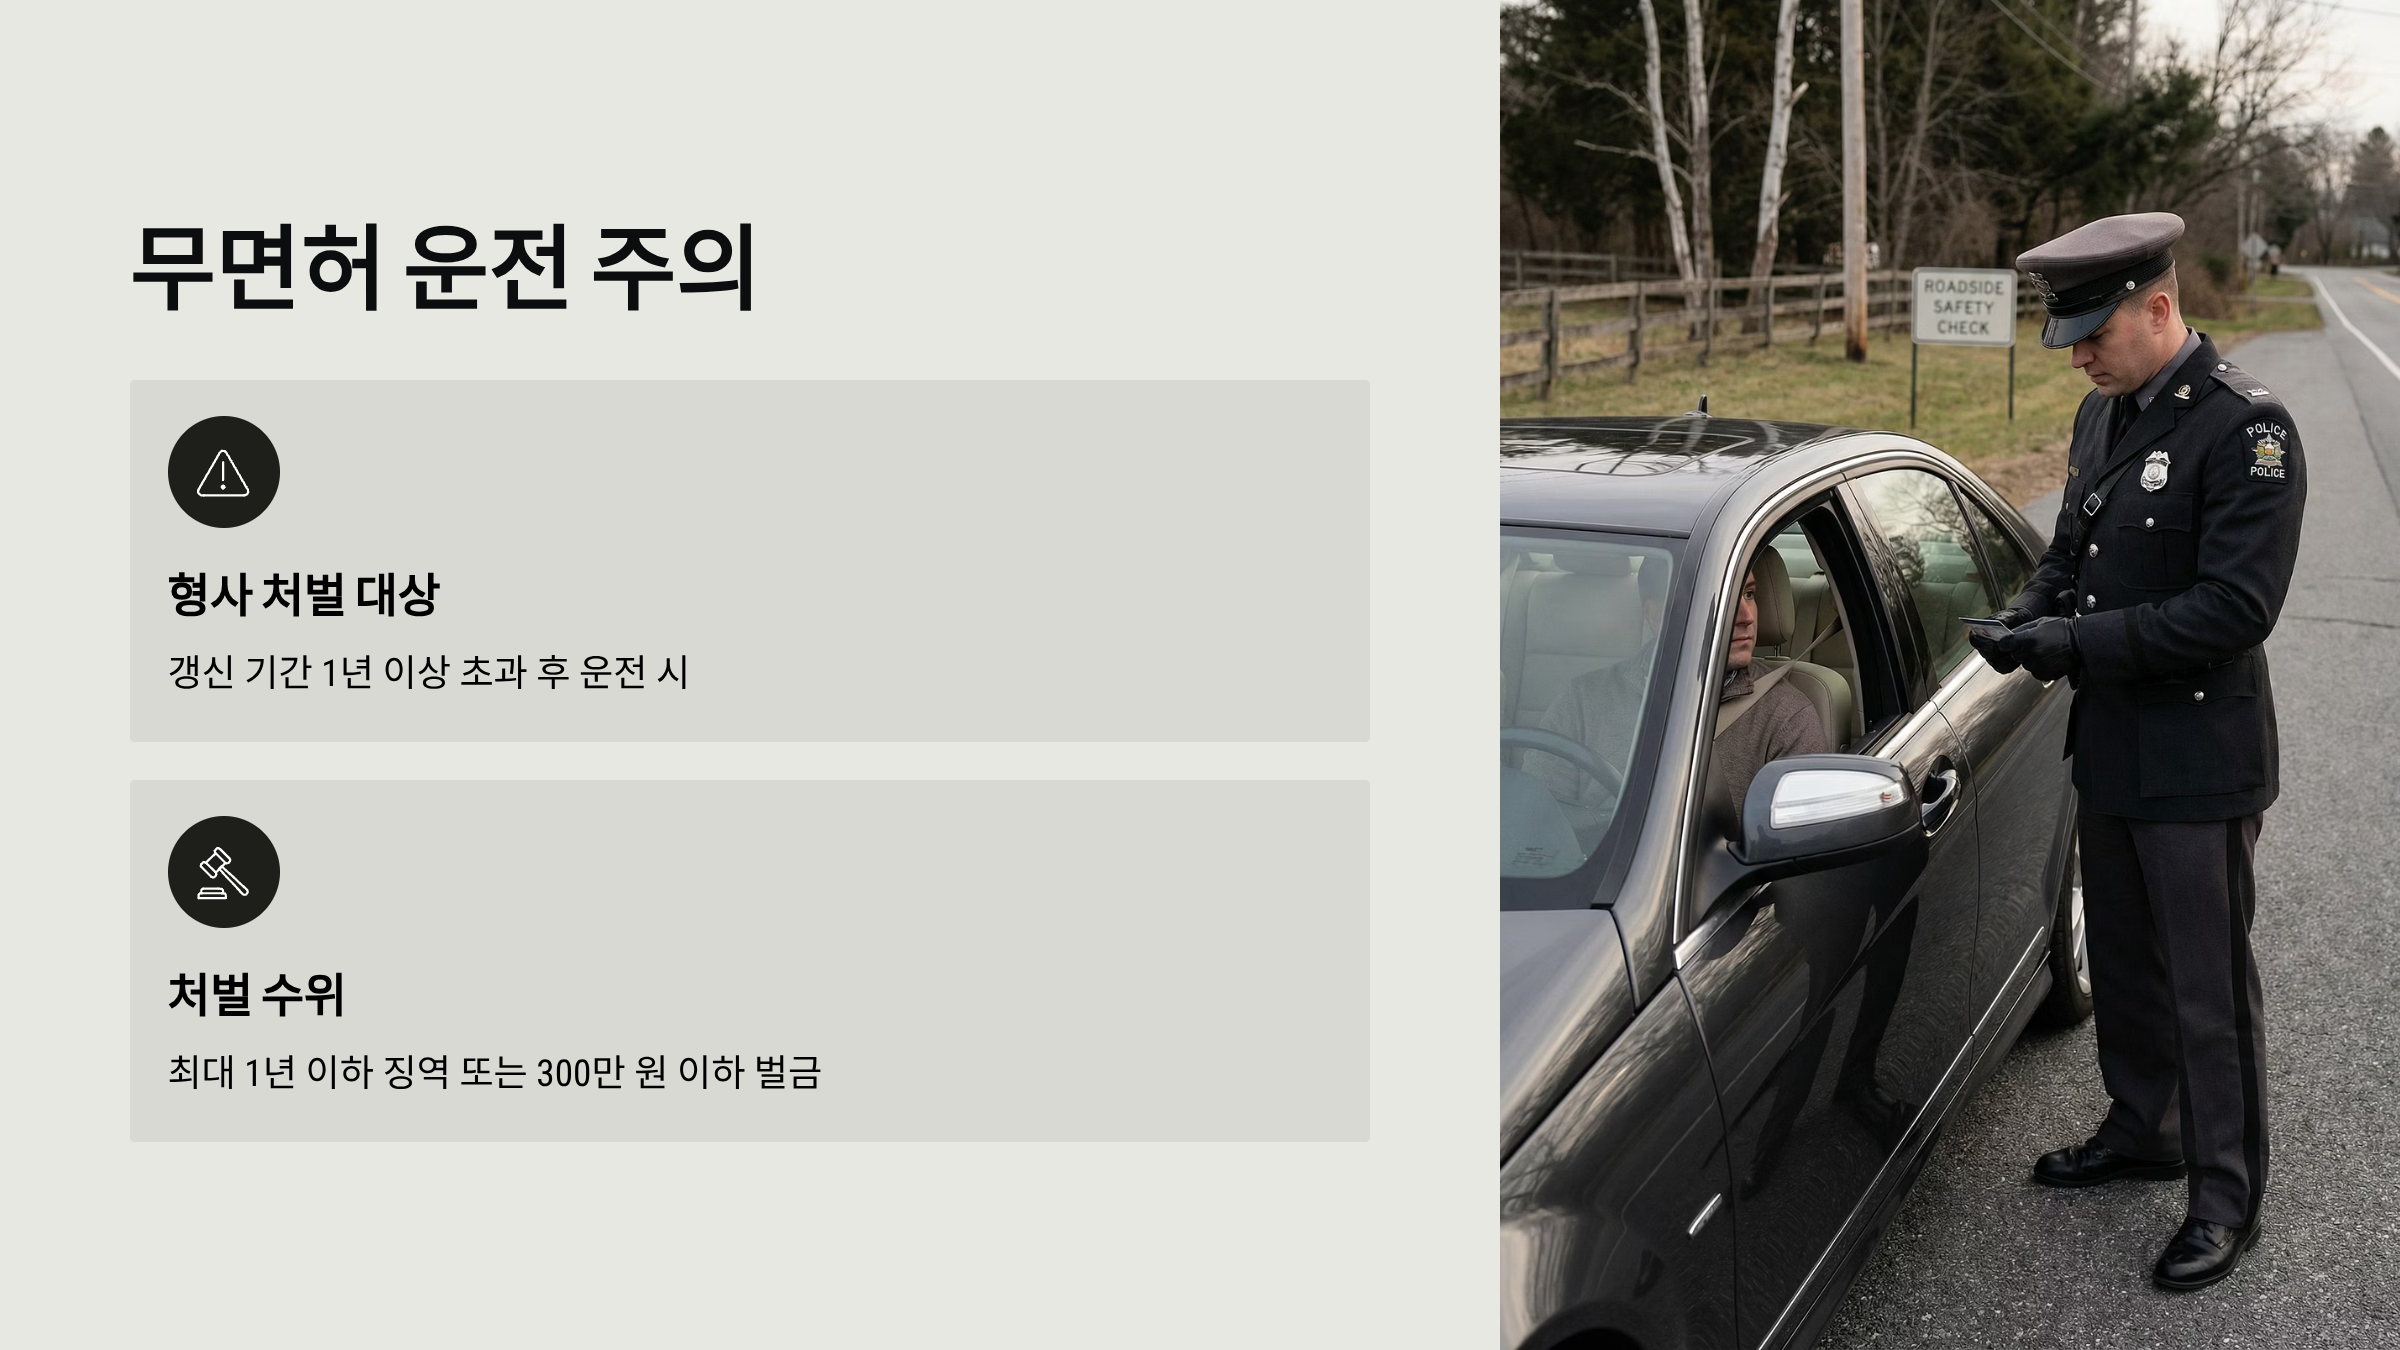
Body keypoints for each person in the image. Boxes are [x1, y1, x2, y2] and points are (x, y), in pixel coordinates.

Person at [1972, 212, 2306, 1292]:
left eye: (2092, 334)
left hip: (2198, 758)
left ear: (2158, 308)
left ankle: (2226, 1195)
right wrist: (2026, 613)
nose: (2077, 357)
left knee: (2205, 987)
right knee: (2122, 960)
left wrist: (2074, 643)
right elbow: (2071, 551)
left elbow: (2233, 610)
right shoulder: (2102, 412)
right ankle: (2144, 1128)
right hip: (2113, 742)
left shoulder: (2245, 429)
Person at [1529, 554, 1829, 839]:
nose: (1746, 616)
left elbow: (1794, 853)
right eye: (1723, 599)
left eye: (1749, 594)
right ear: (1657, 616)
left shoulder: (1786, 717)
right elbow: (1536, 823)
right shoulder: (1582, 701)